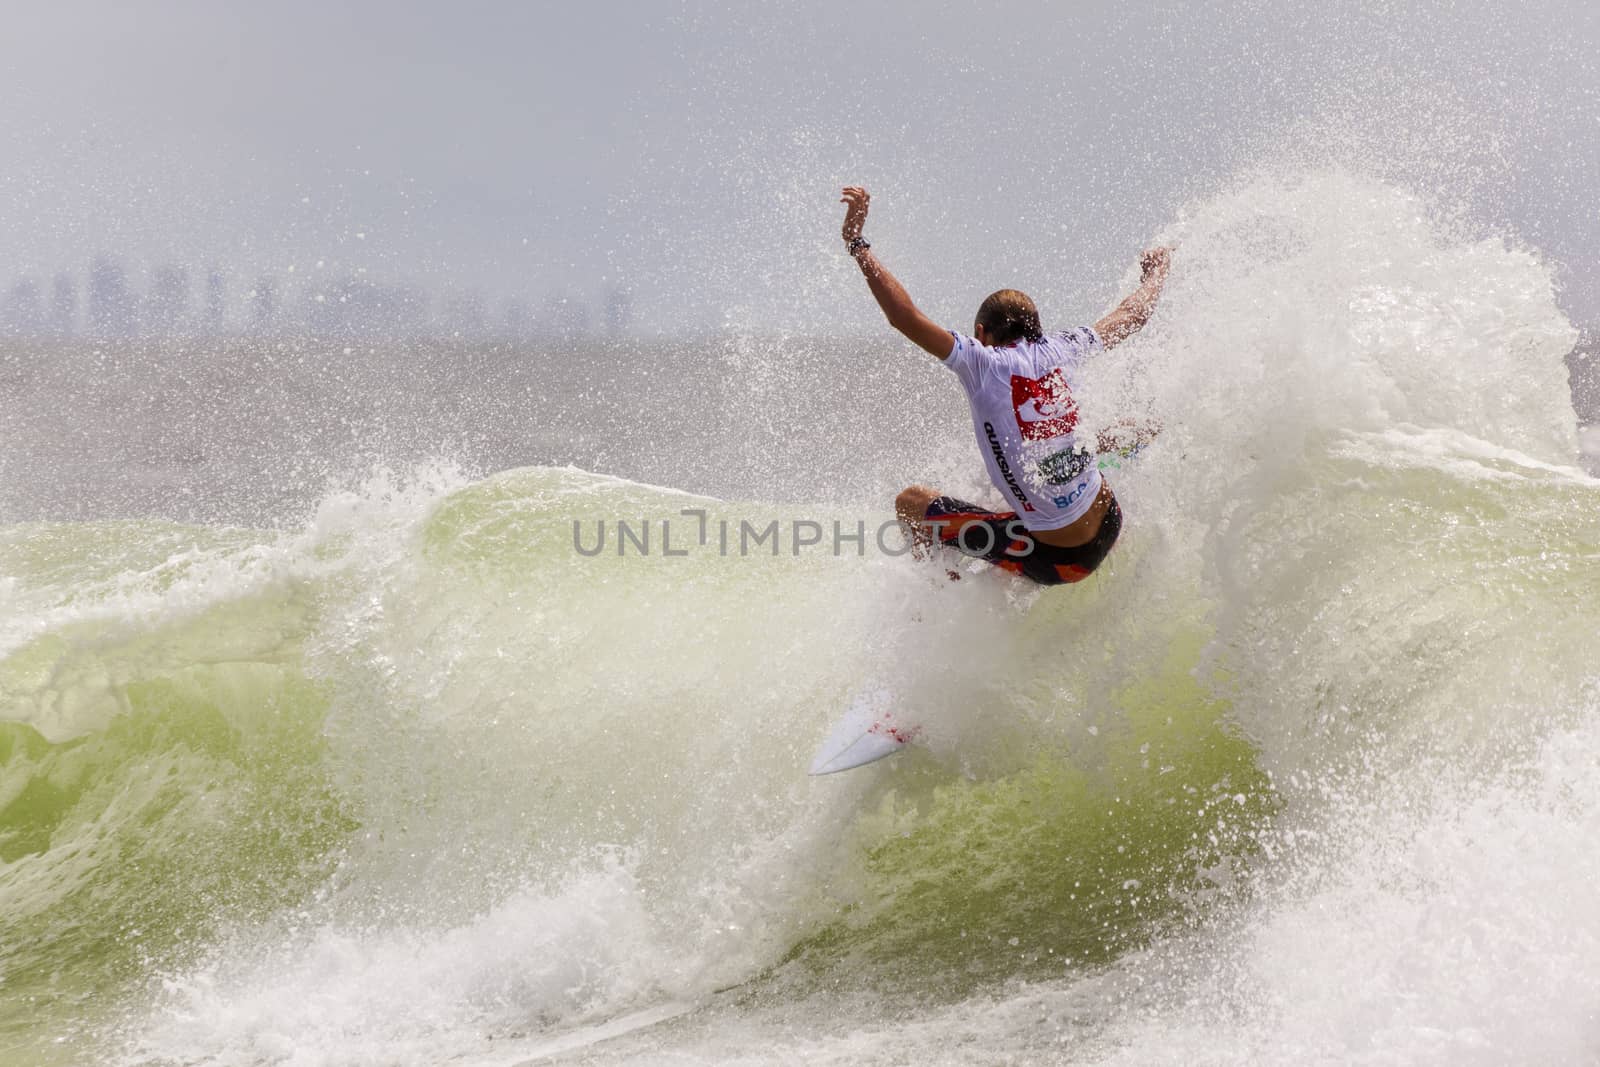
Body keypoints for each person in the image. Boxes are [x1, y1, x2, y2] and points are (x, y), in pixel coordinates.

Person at [839, 185, 1171, 586]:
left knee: (910, 504)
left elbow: (903, 316)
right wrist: (1157, 269)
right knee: (1105, 437)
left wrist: (857, 243)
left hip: (1060, 562)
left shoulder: (981, 362)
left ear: (981, 333)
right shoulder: (1067, 347)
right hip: (1111, 521)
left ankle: (937, 591)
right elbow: (1134, 314)